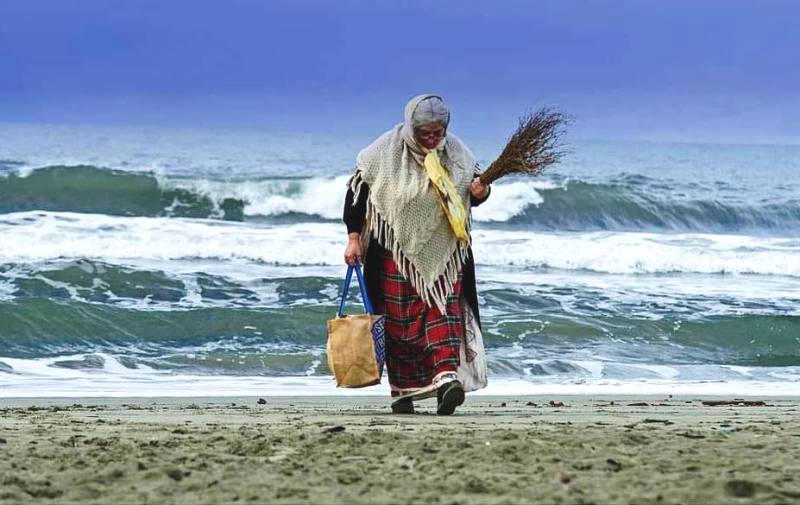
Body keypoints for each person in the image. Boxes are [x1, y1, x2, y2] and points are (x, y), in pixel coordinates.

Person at [342, 94, 491, 415]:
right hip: (394, 251)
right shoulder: (382, 152)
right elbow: (357, 195)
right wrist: (353, 238)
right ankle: (403, 393)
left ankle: (446, 380)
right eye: (425, 133)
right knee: (400, 323)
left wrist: (482, 192)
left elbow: (472, 191)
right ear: (411, 126)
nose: (433, 139)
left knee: (442, 311)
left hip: (447, 253)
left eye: (438, 133)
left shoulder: (457, 153)